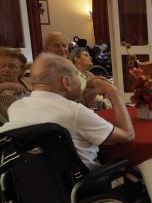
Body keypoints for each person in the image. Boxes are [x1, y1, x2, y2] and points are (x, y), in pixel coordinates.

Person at [3, 54, 134, 169]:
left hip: (38, 187)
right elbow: (127, 135)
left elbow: (63, 113)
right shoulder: (74, 112)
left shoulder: (16, 108)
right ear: (66, 81)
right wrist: (112, 92)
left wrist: (87, 92)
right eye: (76, 75)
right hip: (85, 185)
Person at [0, 47, 31, 123]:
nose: (6, 70)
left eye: (12, 66)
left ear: (22, 70)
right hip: (11, 131)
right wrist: (6, 85)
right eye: (1, 65)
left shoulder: (29, 82)